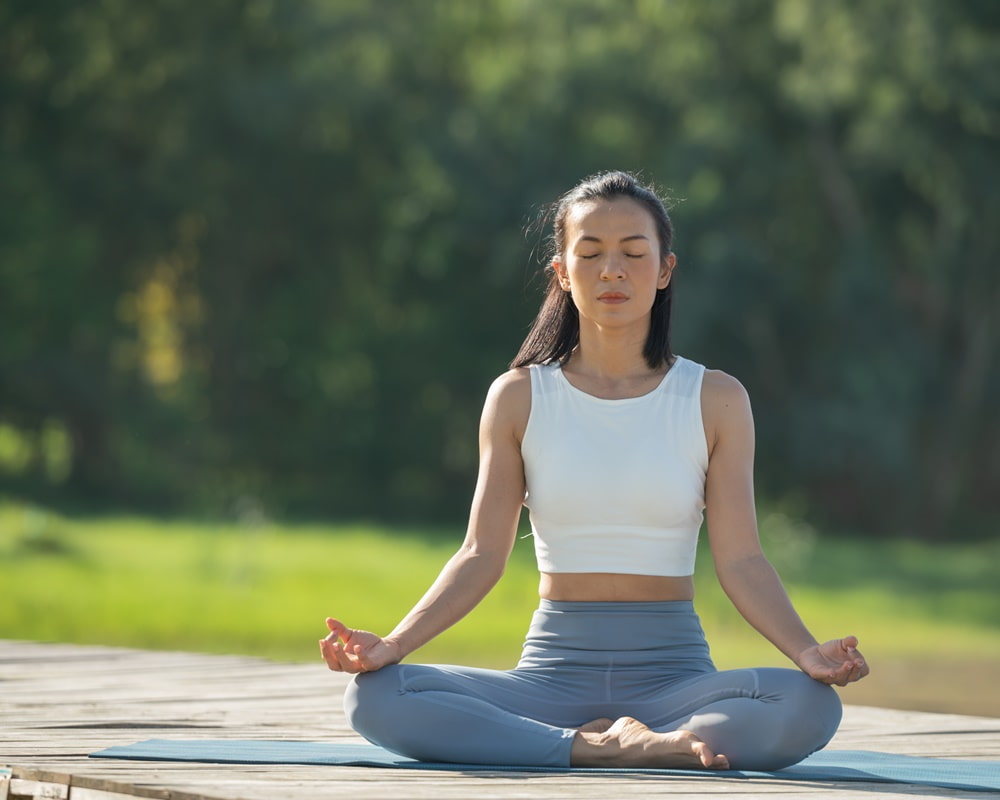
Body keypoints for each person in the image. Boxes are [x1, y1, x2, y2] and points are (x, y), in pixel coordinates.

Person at [319, 170, 869, 771]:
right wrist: (393, 646)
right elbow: (481, 553)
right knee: (376, 696)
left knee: (807, 705)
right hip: (549, 680)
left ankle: (619, 743)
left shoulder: (716, 398)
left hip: (676, 682)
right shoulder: (518, 397)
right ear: (562, 272)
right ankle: (606, 749)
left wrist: (807, 653)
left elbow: (741, 560)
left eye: (634, 253)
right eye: (591, 253)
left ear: (663, 271)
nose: (613, 270)